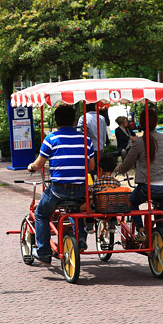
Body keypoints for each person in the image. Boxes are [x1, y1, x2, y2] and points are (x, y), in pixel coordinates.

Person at [27, 104, 95, 265]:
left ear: (56, 121)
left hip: (58, 191)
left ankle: (43, 252)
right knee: (79, 211)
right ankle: (81, 240)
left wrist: (31, 166)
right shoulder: (85, 140)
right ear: (73, 121)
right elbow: (91, 167)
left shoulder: (51, 139)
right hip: (80, 190)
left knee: (41, 214)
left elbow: (38, 164)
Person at [115, 108, 163, 242]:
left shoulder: (138, 142)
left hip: (148, 188)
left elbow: (127, 164)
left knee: (130, 201)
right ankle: (159, 239)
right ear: (156, 123)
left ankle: (141, 230)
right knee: (161, 215)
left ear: (141, 123)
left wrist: (118, 170)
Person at [80, 154, 125, 232]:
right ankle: (112, 225)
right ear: (113, 169)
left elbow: (91, 191)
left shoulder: (98, 181)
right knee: (113, 201)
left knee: (89, 205)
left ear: (100, 169)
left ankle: (89, 226)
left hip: (99, 207)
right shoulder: (116, 182)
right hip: (113, 208)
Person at [76, 103, 108, 172]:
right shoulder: (101, 118)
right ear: (95, 107)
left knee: (89, 170)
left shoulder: (83, 118)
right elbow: (104, 133)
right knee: (99, 170)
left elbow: (79, 133)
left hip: (87, 148)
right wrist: (103, 145)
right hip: (99, 147)